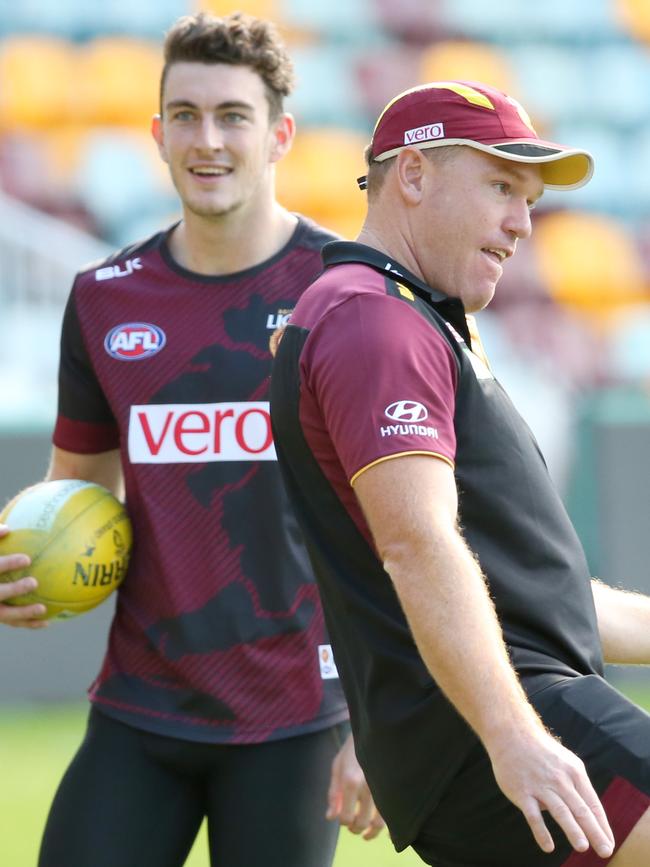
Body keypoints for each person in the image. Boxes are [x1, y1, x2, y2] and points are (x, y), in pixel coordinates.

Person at [0, 12, 384, 867]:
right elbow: (80, 493)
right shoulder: (104, 298)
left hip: (295, 720)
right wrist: (36, 567)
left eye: (232, 116)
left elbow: (399, 529)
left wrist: (375, 721)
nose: (206, 139)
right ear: (157, 133)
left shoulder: (347, 294)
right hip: (141, 707)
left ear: (279, 134)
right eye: (185, 115)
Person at [270, 79, 650, 866]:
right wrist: (515, 738)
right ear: (411, 175)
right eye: (502, 187)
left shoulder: (398, 314)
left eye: (531, 199)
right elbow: (418, 545)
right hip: (502, 726)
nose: (522, 224)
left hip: (493, 724)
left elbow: (529, 593)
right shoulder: (372, 319)